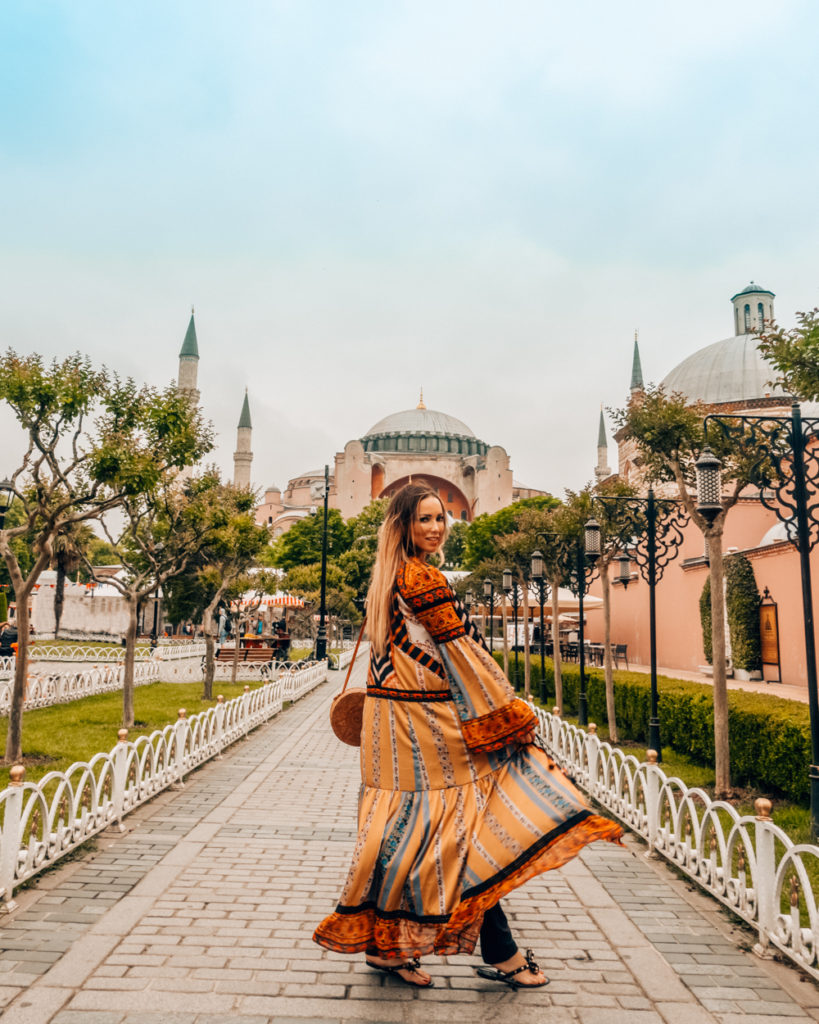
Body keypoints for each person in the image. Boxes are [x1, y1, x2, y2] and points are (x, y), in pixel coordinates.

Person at [314, 483, 623, 989]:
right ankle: (501, 954)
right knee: (461, 833)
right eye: (424, 519)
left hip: (393, 728)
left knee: (413, 834)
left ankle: (393, 948)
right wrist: (507, 711)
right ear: (403, 526)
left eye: (440, 518)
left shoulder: (389, 576)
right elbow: (465, 655)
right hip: (426, 729)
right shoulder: (423, 580)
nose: (436, 527)